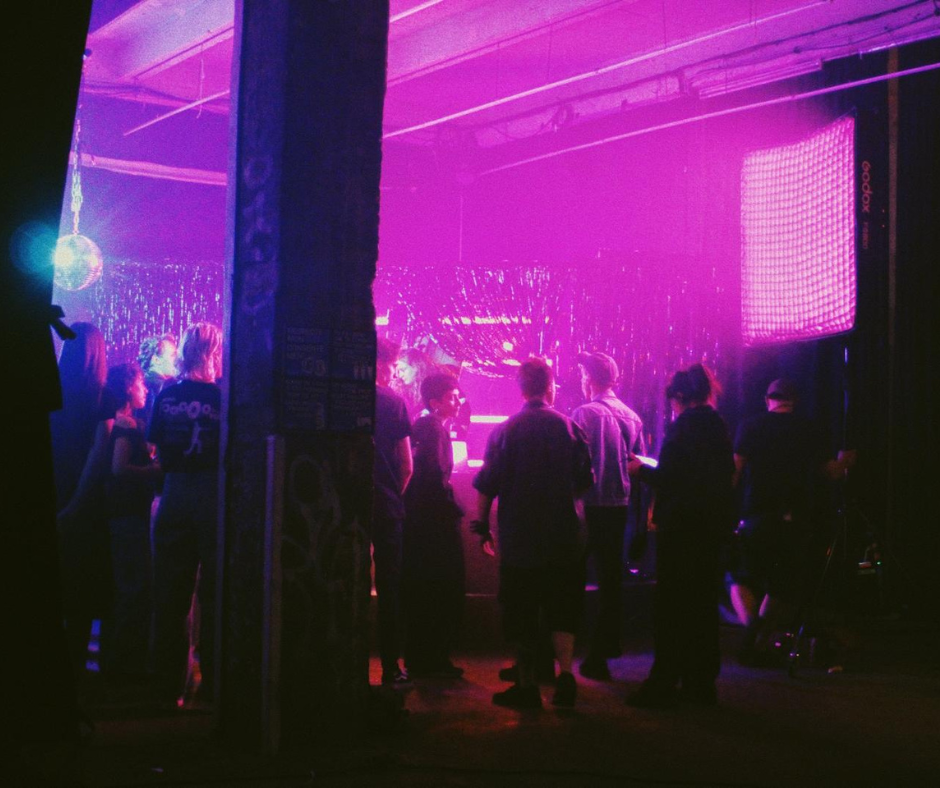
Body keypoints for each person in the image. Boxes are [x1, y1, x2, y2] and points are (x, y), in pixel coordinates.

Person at [472, 357, 593, 709]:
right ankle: (566, 676)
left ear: (521, 389)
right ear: (551, 387)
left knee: (521, 611)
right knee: (563, 608)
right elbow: (585, 482)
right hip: (564, 536)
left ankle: (527, 688)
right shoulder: (570, 428)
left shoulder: (505, 430)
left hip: (520, 537)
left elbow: (487, 485)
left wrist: (483, 528)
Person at [627, 363, 734, 708]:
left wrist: (640, 470)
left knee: (672, 607)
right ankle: (700, 684)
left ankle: (663, 681)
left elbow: (672, 477)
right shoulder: (717, 424)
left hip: (681, 530)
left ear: (679, 397)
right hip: (710, 530)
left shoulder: (683, 426)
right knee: (702, 607)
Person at [729, 378, 856, 665]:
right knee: (781, 585)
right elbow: (831, 473)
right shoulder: (809, 429)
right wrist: (845, 462)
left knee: (739, 577)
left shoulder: (750, 426)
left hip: (755, 514)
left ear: (767, 400)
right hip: (794, 517)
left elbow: (734, 472)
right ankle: (757, 639)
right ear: (794, 401)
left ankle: (752, 634)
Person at [148, 322, 223, 707]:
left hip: (174, 493)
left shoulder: (166, 394)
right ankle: (213, 683)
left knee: (171, 595)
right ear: (214, 353)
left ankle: (169, 687)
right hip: (212, 495)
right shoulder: (222, 396)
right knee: (216, 593)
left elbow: (157, 450)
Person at [572, 351, 645, 680]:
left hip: (587, 506)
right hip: (619, 507)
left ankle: (566, 646)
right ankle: (602, 652)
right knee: (610, 580)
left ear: (588, 379)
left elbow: (574, 463)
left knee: (571, 576)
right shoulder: (632, 417)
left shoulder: (583, 414)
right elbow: (637, 465)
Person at [51, 322, 117, 679]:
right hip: (85, 499)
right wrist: (78, 502)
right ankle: (75, 671)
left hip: (54, 483)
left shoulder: (52, 388)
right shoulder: (103, 396)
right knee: (82, 587)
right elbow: (97, 452)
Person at [402, 372, 467, 678]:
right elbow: (435, 480)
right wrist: (456, 510)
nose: (459, 402)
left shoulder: (422, 426)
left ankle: (420, 658)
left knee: (422, 592)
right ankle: (435, 659)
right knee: (442, 590)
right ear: (435, 402)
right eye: (453, 397)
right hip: (435, 527)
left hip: (419, 524)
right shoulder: (435, 430)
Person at [104, 362, 162, 680]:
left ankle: (119, 664)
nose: (144, 389)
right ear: (129, 388)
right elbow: (118, 468)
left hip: (124, 514)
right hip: (128, 515)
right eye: (140, 384)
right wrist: (152, 471)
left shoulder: (121, 422)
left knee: (129, 587)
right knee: (134, 588)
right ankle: (123, 668)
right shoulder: (126, 424)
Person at [373, 337, 414, 686]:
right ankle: (390, 666)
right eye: (392, 364)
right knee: (389, 588)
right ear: (381, 363)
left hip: (350, 507)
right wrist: (390, 495)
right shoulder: (394, 402)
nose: (394, 372)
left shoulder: (347, 399)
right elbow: (407, 465)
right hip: (386, 506)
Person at [136, 333, 178, 430]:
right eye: (173, 355)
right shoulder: (158, 387)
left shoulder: (140, 384)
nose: (178, 360)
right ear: (156, 360)